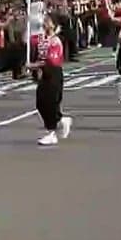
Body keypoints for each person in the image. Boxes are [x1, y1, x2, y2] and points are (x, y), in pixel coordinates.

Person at [28, 14, 72, 146]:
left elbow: (51, 61)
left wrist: (34, 65)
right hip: (44, 74)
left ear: (54, 25)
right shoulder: (42, 39)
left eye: (48, 21)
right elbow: (28, 40)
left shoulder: (55, 41)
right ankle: (61, 119)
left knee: (51, 102)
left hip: (54, 73)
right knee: (40, 103)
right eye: (44, 21)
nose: (45, 23)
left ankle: (51, 133)